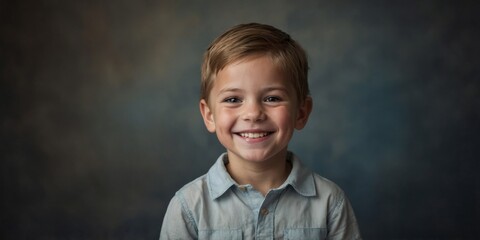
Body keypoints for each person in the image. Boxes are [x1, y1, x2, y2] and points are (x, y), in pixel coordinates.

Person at [160, 23, 361, 240]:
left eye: (272, 98)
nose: (253, 113)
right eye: (233, 99)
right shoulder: (188, 207)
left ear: (301, 113)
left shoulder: (330, 203)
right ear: (209, 115)